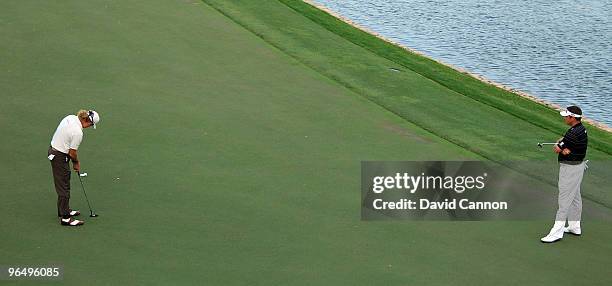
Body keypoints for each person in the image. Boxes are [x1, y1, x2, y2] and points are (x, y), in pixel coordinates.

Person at [541, 106, 588, 243]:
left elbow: (557, 148)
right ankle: (574, 226)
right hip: (578, 167)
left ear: (572, 118)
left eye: (566, 116)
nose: (564, 118)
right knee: (575, 198)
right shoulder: (580, 129)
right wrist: (563, 147)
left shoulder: (572, 133)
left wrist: (560, 147)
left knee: (564, 201)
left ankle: (556, 233)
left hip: (570, 169)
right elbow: (563, 145)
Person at [48, 110, 100, 226]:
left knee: (64, 182)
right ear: (87, 121)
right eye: (91, 125)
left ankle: (63, 210)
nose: (89, 127)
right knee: (64, 187)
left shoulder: (70, 117)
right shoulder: (78, 133)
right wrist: (76, 163)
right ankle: (65, 218)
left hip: (54, 150)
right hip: (59, 156)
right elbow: (72, 153)